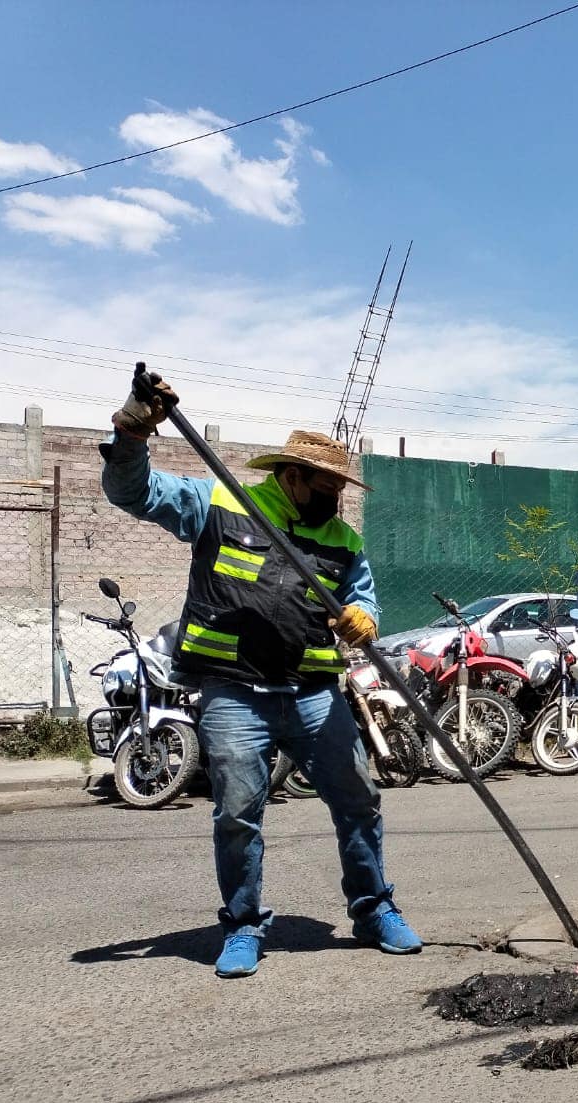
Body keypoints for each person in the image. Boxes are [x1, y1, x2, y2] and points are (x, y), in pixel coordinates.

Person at [100, 368, 421, 977]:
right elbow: (133, 494)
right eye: (328, 485)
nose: (338, 496)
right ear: (291, 476)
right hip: (235, 694)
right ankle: (244, 925)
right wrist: (133, 432)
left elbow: (367, 600)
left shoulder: (344, 541)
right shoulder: (219, 503)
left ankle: (375, 908)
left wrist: (364, 618)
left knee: (359, 800)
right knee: (238, 812)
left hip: (315, 696)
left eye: (342, 487)